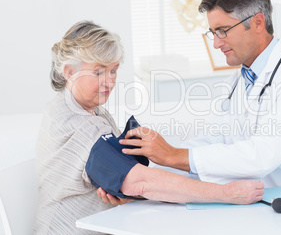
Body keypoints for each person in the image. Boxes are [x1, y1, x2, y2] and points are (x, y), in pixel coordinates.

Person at [114, 0, 281, 200]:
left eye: (223, 30)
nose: (217, 43)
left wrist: (173, 155)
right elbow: (212, 139)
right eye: (213, 33)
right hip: (270, 203)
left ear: (258, 23)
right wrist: (139, 177)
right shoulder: (239, 81)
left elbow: (262, 154)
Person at [34, 20, 264, 234]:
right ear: (70, 72)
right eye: (98, 71)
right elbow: (142, 183)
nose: (110, 81)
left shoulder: (86, 109)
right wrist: (228, 193)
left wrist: (125, 188)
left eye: (113, 71)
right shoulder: (76, 124)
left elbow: (123, 180)